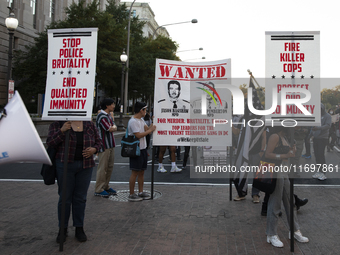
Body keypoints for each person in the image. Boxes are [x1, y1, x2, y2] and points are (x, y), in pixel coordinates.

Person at [46, 120, 101, 243]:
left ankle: (79, 227)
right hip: (65, 165)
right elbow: (50, 142)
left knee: (80, 198)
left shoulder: (90, 124)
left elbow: (99, 142)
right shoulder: (58, 124)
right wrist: (62, 131)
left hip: (85, 166)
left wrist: (94, 149)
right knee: (65, 198)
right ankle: (63, 228)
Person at [265, 126, 309, 248]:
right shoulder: (275, 136)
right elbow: (267, 154)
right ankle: (271, 234)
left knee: (290, 202)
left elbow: (289, 155)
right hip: (276, 172)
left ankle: (294, 230)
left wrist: (291, 153)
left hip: (284, 172)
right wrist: (283, 156)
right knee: (275, 203)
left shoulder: (285, 137)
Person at [128, 102, 156, 202]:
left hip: (143, 148)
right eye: (145, 110)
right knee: (135, 172)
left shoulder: (141, 120)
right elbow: (138, 135)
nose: (146, 112)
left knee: (142, 172)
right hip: (136, 150)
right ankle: (131, 193)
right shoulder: (133, 121)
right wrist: (150, 130)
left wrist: (153, 121)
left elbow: (147, 129)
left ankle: (140, 192)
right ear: (141, 110)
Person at [94, 98, 117, 198]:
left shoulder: (108, 116)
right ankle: (99, 189)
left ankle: (106, 186)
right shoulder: (102, 116)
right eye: (112, 104)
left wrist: (113, 127)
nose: (114, 106)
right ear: (107, 106)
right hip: (104, 145)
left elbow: (113, 126)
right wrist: (113, 127)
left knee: (109, 167)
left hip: (110, 144)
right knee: (102, 168)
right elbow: (110, 128)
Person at [311, 103, 331, 181]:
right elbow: (313, 126)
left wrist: (318, 128)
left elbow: (328, 125)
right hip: (316, 138)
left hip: (323, 138)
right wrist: (311, 135)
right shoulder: (317, 116)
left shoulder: (327, 116)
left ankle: (323, 173)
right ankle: (319, 171)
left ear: (323, 108)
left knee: (321, 155)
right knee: (316, 155)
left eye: (320, 109)